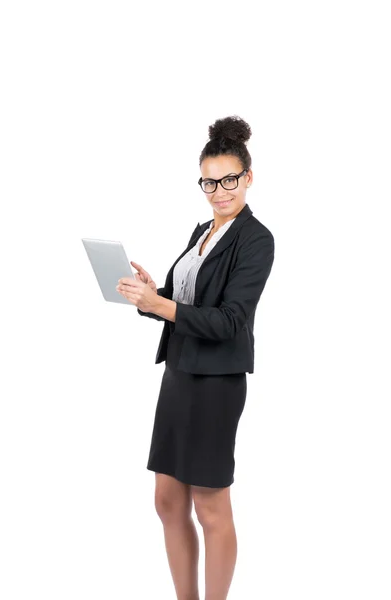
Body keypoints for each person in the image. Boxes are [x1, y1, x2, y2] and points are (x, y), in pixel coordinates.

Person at [116, 115, 275, 600]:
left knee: (209, 504)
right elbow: (185, 303)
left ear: (248, 176)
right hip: (180, 374)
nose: (219, 190)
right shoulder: (201, 231)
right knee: (167, 500)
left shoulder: (256, 240)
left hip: (217, 382)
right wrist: (151, 295)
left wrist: (163, 305)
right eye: (209, 181)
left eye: (229, 179)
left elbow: (229, 320)